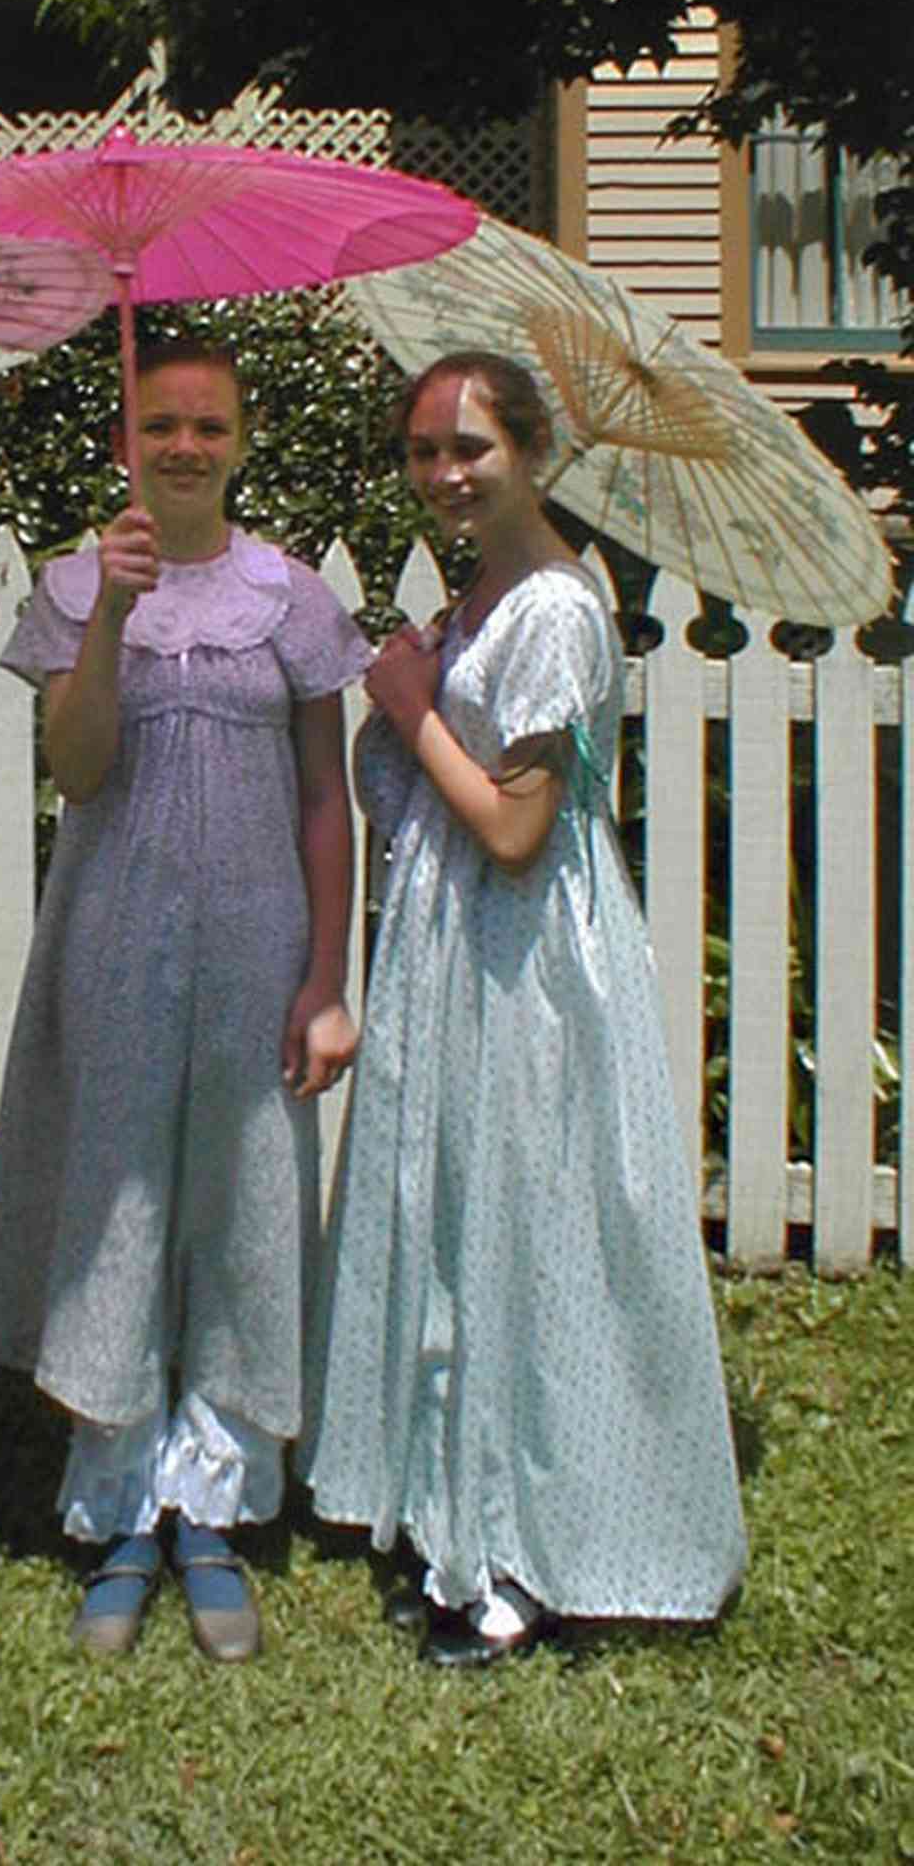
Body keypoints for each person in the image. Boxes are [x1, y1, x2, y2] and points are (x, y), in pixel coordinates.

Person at [300, 351, 746, 1665]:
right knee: (458, 1220)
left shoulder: (558, 606)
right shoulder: (481, 590)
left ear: (535, 454)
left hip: (530, 958)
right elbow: (426, 800)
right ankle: (458, 1505)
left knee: (533, 1224)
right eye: (426, 449)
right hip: (455, 946)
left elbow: (508, 824)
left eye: (473, 448)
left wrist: (407, 707)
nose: (446, 472)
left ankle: (529, 1549)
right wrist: (418, 692)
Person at [0, 339, 373, 1662]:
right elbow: (78, 770)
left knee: (241, 1204)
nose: (186, 446)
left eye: (210, 426)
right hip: (115, 938)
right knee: (118, 1203)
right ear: (125, 443)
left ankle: (212, 1506)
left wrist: (325, 978)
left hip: (259, 946)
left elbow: (329, 800)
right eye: (162, 424)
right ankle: (120, 1507)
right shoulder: (74, 585)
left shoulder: (294, 599)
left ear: (244, 443)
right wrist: (109, 616)